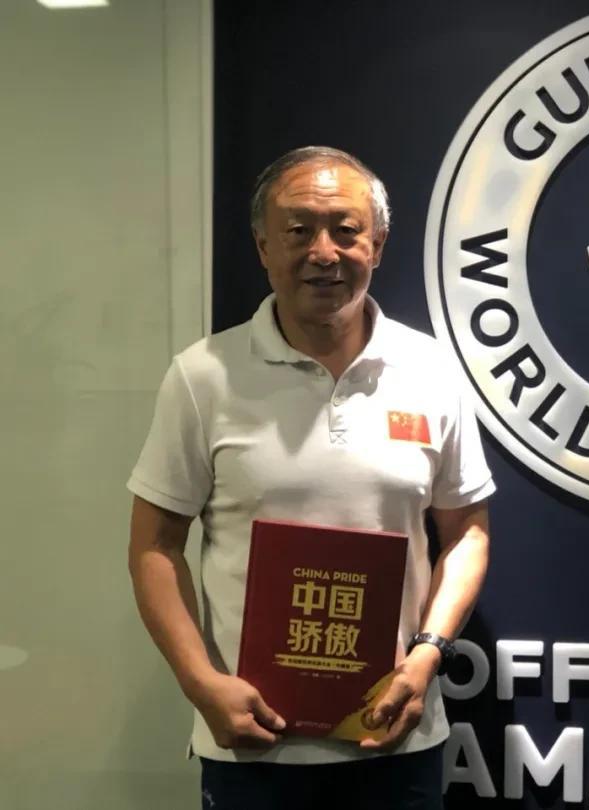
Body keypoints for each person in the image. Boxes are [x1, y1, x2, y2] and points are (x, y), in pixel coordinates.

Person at [127, 146, 494, 809]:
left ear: (377, 244)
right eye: (298, 230)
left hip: (396, 743)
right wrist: (200, 682)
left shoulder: (434, 370)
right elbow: (154, 547)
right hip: (253, 748)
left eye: (346, 231)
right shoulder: (202, 377)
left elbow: (466, 531)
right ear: (263, 246)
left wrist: (428, 654)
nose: (324, 253)